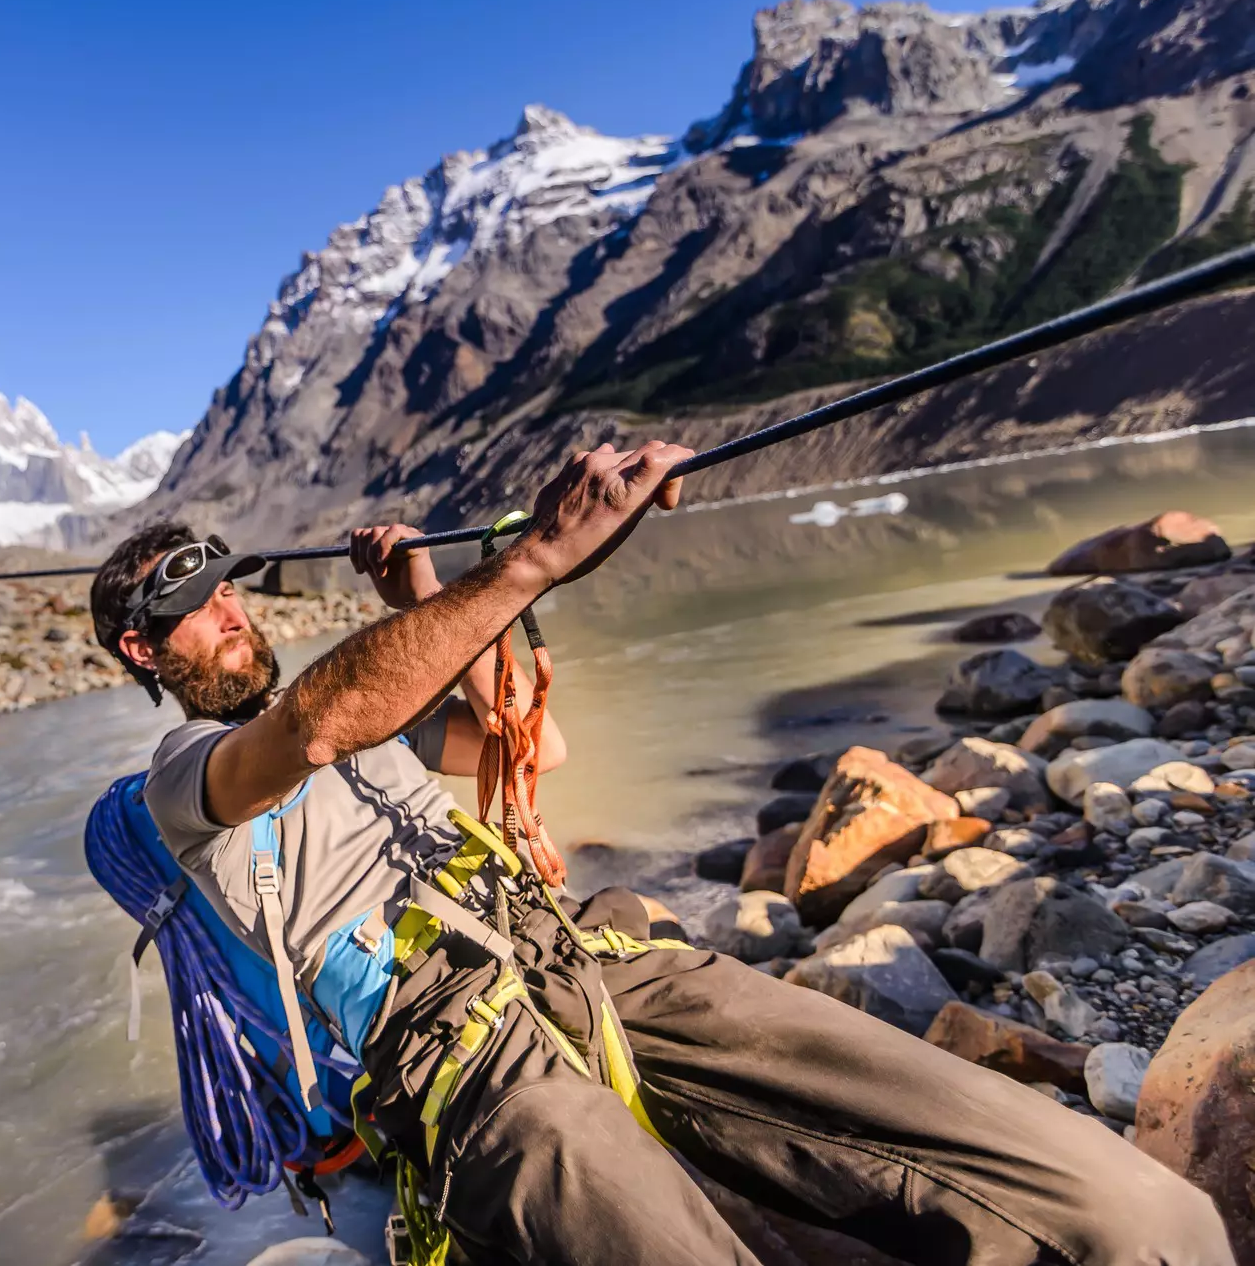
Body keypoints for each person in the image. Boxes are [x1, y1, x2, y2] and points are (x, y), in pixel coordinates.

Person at [89, 440, 1231, 1266]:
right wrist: (532, 561)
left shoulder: (369, 707)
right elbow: (311, 726)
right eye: (196, 606)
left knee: (1128, 1212)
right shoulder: (191, 780)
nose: (233, 610)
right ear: (145, 648)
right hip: (460, 1062)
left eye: (230, 584)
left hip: (590, 966)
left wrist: (432, 592)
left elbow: (518, 737)